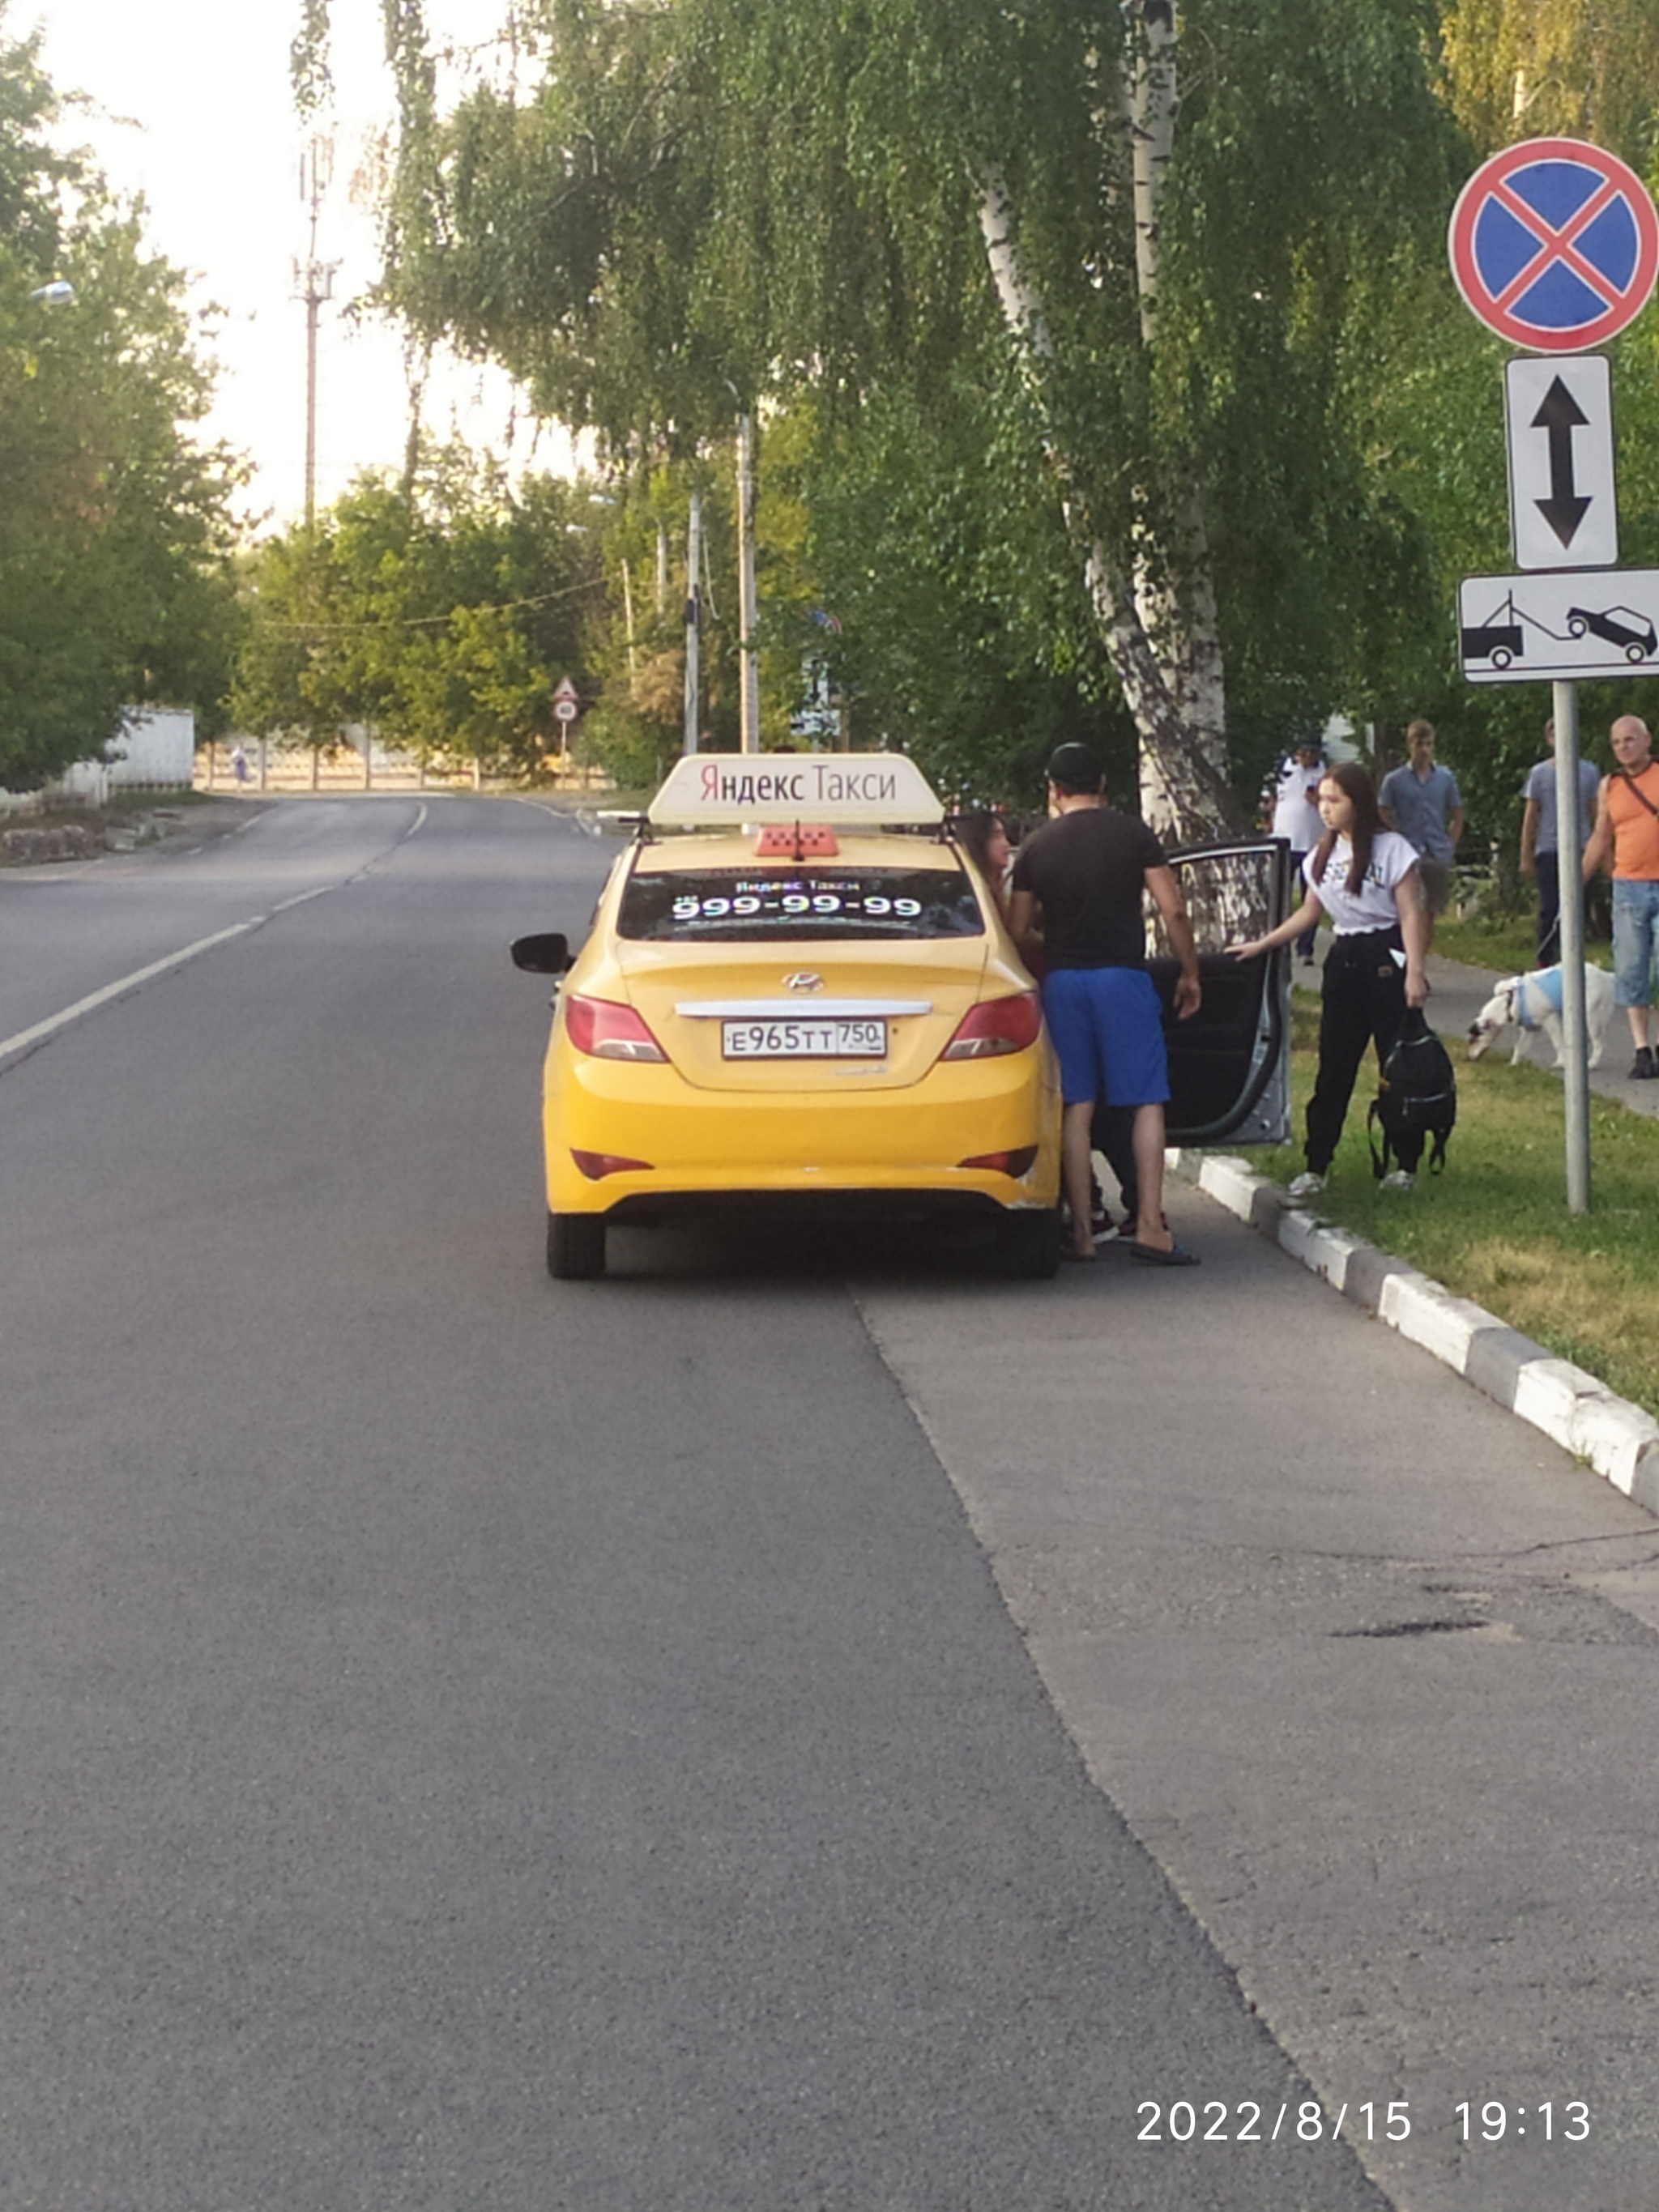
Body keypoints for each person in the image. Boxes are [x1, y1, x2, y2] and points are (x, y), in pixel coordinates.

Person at [1008, 742, 1202, 1264]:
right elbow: (1173, 910)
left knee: (1076, 1105)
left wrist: (1058, 949)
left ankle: (1083, 1236)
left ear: (1053, 790)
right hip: (1124, 978)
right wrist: (1189, 970)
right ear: (1103, 783)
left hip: (1065, 982)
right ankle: (1149, 1226)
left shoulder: (1035, 848)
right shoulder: (1134, 835)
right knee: (1144, 1101)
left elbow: (1018, 928)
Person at [1228, 761, 1429, 1195]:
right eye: (1321, 800)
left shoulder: (1392, 849)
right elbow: (1310, 912)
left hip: (1385, 952)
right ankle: (1317, 1164)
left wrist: (1414, 970)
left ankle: (1405, 1162)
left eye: (1335, 800)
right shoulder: (1322, 856)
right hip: (1345, 957)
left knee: (1396, 1063)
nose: (1326, 809)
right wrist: (1265, 943)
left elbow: (1411, 911)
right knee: (1334, 1064)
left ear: (1358, 802)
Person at [1580, 713, 1659, 1079]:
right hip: (1628, 886)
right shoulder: (1609, 785)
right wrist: (1578, 878)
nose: (1624, 747)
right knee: (1630, 968)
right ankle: (1641, 1049)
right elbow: (1601, 835)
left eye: (1630, 739)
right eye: (1617, 742)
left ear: (1646, 740)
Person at [1519, 720, 1601, 962]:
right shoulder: (1540, 773)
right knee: (1551, 908)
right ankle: (1544, 961)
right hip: (1549, 850)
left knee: (1580, 909)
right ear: (1549, 738)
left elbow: (1597, 813)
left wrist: (1604, 856)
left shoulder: (1589, 771)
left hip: (1582, 849)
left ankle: (1572, 962)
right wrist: (1526, 855)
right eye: (1554, 733)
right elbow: (1531, 816)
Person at [1380, 719, 1462, 933]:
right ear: (1410, 745)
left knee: (1430, 909)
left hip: (1436, 849)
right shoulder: (1395, 780)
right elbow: (1383, 812)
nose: (1425, 750)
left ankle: (1420, 959)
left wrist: (1450, 844)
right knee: (1408, 904)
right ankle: (1405, 953)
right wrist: (1395, 837)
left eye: (1429, 744)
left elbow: (1457, 812)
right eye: (1420, 745)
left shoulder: (1445, 778)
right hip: (1408, 850)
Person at [1270, 739, 1325, 961]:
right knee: (1280, 896)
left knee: (1310, 898)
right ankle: (1278, 943)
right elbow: (1272, 795)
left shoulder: (1324, 773)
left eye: (1312, 753)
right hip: (1284, 841)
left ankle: (1305, 948)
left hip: (1312, 843)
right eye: (1304, 752)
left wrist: (1318, 800)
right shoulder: (1284, 769)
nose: (1308, 757)